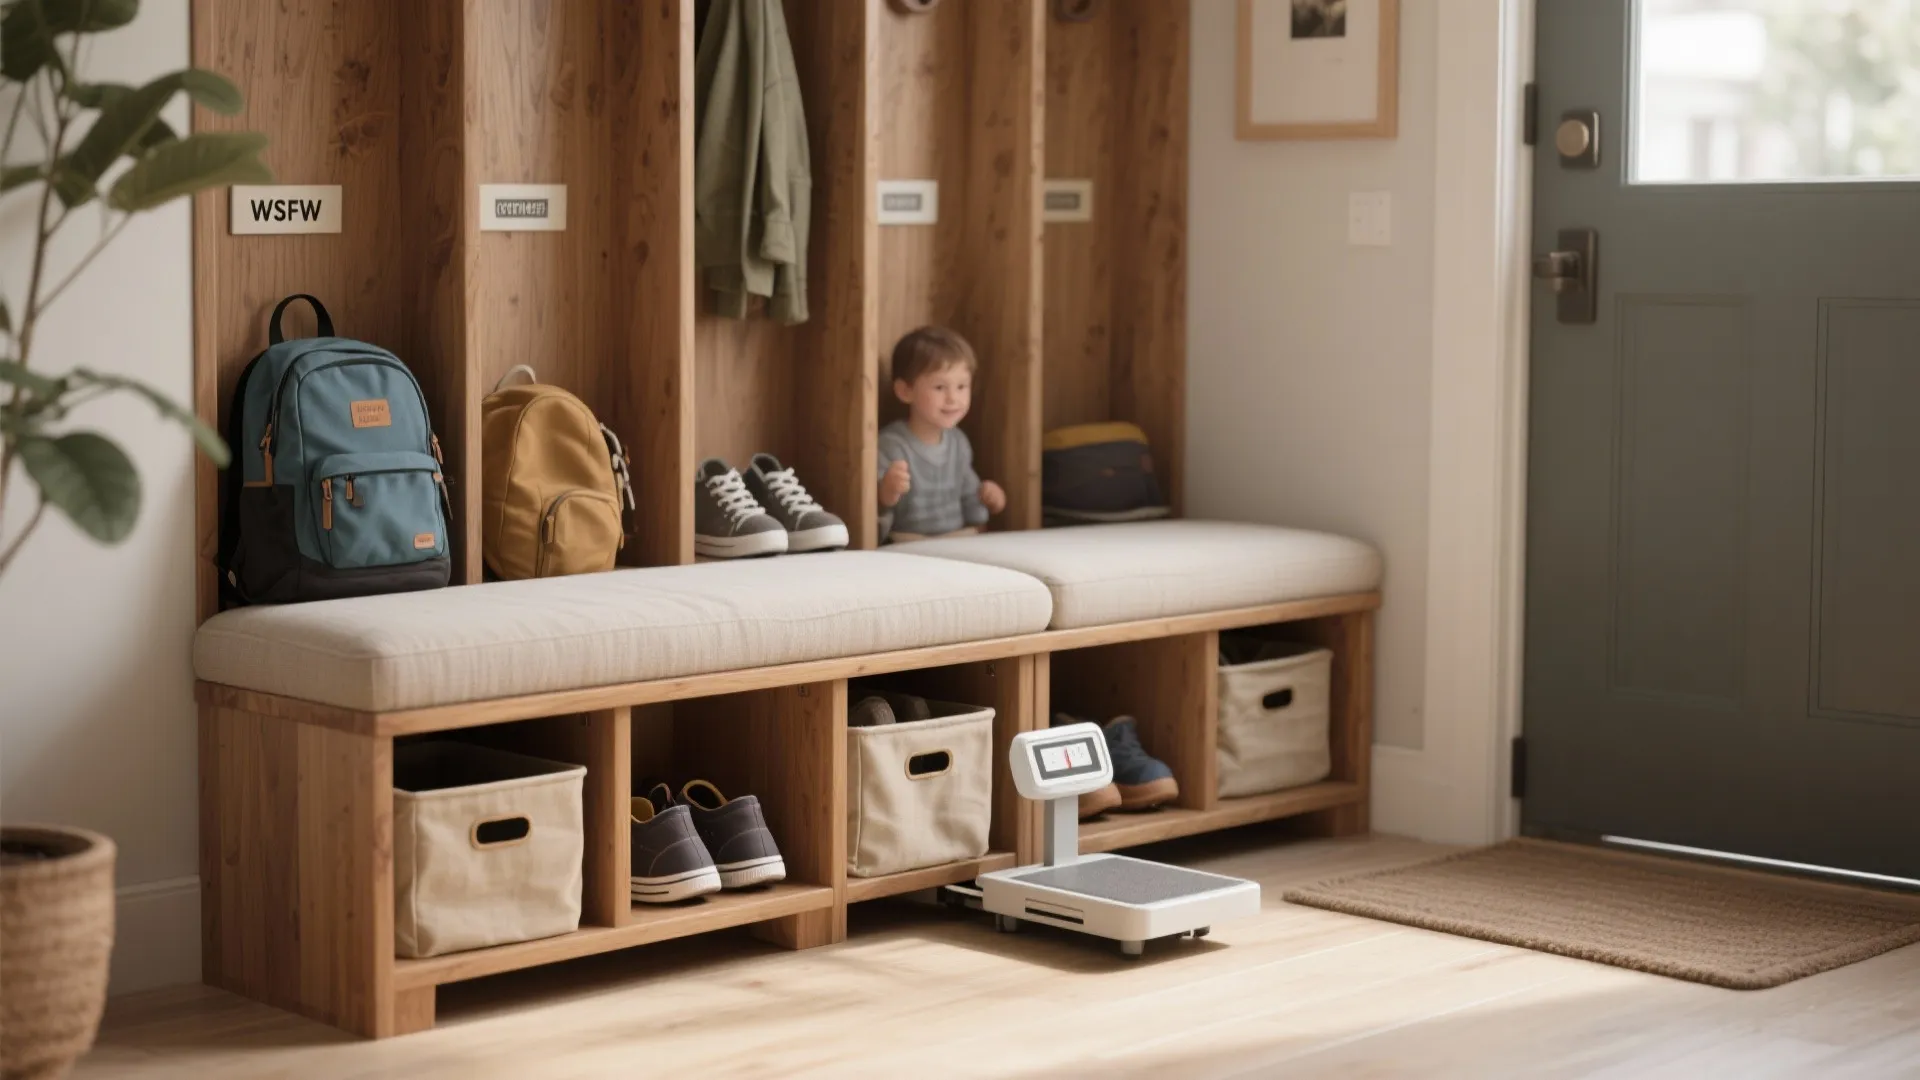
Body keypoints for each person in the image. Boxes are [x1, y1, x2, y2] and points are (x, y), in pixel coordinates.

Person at [877, 326, 1005, 542]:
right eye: (939, 387)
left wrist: (990, 498)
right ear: (905, 391)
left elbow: (969, 497)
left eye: (962, 386)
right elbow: (874, 508)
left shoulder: (958, 442)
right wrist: (887, 491)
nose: (953, 398)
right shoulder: (891, 444)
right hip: (908, 540)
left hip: (955, 537)